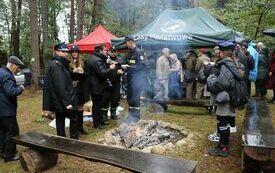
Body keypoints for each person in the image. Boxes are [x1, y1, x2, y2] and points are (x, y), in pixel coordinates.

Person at [207, 41, 244, 156]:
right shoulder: (233, 63)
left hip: (225, 100)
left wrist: (211, 79)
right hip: (230, 98)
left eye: (220, 51)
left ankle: (223, 148)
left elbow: (222, 84)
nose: (218, 53)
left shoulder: (226, 65)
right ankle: (222, 145)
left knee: (222, 123)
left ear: (223, 52)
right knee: (225, 123)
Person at [43, 42, 78, 139]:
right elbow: (59, 86)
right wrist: (67, 103)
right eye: (63, 51)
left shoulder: (57, 63)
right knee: (73, 118)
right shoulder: (57, 65)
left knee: (60, 119)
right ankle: (74, 140)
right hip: (63, 100)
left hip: (58, 100)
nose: (66, 53)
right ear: (57, 52)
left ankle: (61, 141)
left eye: (66, 51)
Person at [0, 56, 25, 163]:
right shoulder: (7, 75)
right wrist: (20, 88)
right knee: (12, 132)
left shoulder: (1, 71)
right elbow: (10, 92)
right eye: (17, 67)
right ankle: (9, 155)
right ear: (11, 65)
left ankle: (2, 151)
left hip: (1, 109)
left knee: (2, 131)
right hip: (6, 109)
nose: (18, 69)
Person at [86, 44, 116, 129]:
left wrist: (106, 63)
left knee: (99, 105)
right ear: (100, 51)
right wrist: (110, 68)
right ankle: (97, 123)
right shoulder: (97, 60)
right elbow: (102, 73)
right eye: (105, 50)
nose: (106, 52)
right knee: (97, 106)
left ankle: (100, 121)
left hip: (97, 86)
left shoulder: (95, 58)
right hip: (96, 86)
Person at [122, 36, 146, 123]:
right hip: (130, 79)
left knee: (135, 98)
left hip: (137, 80)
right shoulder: (129, 53)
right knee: (130, 98)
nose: (126, 44)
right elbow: (125, 62)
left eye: (126, 43)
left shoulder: (139, 52)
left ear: (131, 41)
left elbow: (142, 66)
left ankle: (136, 117)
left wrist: (129, 67)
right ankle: (131, 116)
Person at [69, 44, 89, 135]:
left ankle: (80, 128)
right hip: (73, 90)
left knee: (81, 108)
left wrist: (82, 72)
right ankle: (75, 129)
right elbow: (66, 76)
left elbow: (88, 75)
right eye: (72, 52)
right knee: (74, 109)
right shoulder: (68, 63)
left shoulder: (83, 62)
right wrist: (73, 72)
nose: (74, 53)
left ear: (78, 53)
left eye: (75, 52)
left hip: (81, 89)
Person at [101, 49, 124, 122]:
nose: (114, 53)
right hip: (107, 83)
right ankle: (104, 115)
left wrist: (121, 72)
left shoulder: (119, 60)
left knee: (115, 99)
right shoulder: (106, 60)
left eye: (115, 52)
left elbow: (122, 69)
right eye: (112, 51)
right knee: (106, 99)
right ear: (109, 52)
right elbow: (103, 71)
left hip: (116, 83)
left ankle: (113, 114)